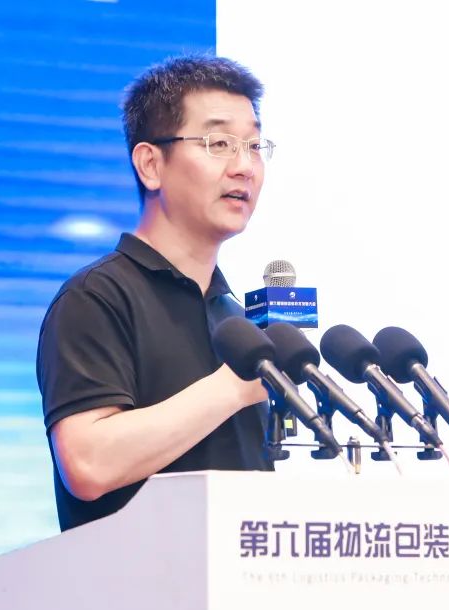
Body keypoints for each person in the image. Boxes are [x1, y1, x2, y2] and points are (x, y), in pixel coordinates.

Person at [36, 55, 274, 531]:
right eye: (219, 143)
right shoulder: (96, 297)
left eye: (254, 145)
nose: (244, 167)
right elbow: (88, 464)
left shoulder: (234, 316)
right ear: (150, 164)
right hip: (133, 577)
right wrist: (233, 388)